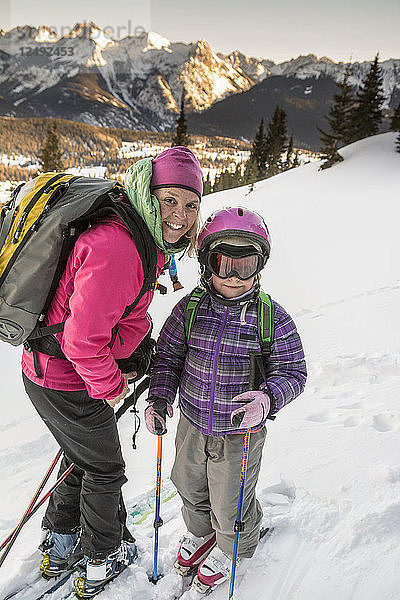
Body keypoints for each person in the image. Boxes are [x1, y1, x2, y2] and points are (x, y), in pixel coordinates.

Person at [21, 146, 203, 598]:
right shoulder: (120, 244)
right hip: (67, 377)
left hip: (51, 370)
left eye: (191, 203)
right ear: (149, 192)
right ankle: (103, 558)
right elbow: (82, 341)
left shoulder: (137, 228)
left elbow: (114, 313)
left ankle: (62, 544)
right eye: (170, 200)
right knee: (104, 469)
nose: (179, 215)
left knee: (81, 457)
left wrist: (134, 346)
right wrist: (113, 386)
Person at [145, 206, 307, 594]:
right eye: (223, 263)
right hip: (191, 422)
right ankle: (201, 534)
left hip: (239, 433)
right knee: (187, 483)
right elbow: (168, 357)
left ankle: (233, 546)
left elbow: (294, 372)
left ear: (260, 267)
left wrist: (267, 399)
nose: (234, 277)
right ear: (206, 264)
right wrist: (160, 398)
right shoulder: (190, 309)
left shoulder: (271, 317)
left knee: (229, 499)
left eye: (245, 265)